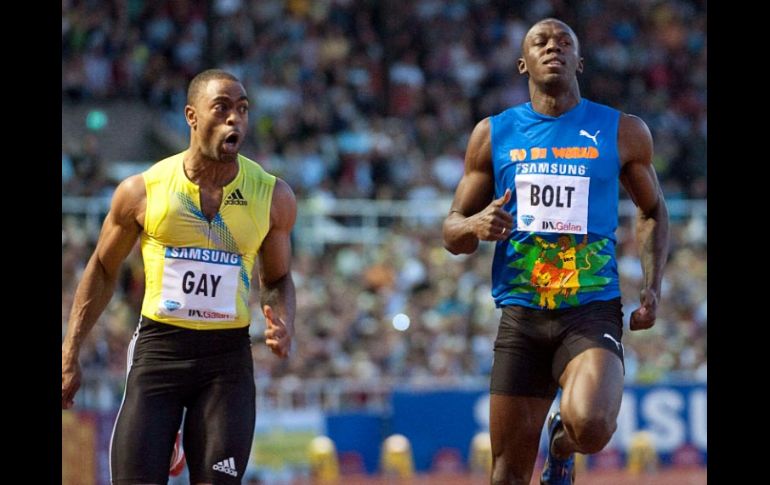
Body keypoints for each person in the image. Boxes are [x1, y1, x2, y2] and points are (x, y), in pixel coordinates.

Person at [442, 19, 669, 485]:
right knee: (507, 476)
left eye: (565, 42)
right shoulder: (493, 134)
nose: (553, 48)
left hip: (590, 309)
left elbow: (652, 210)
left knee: (592, 426)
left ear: (579, 62)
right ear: (523, 62)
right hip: (522, 315)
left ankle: (561, 444)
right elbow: (451, 233)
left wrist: (652, 287)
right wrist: (475, 224)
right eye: (541, 42)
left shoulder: (622, 131)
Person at [61, 69, 297, 484]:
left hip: (227, 364)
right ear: (191, 116)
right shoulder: (143, 191)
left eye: (242, 110)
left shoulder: (272, 195)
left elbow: (277, 279)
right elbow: (101, 268)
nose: (234, 120)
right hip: (160, 353)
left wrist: (283, 318)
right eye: (221, 108)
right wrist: (69, 353)